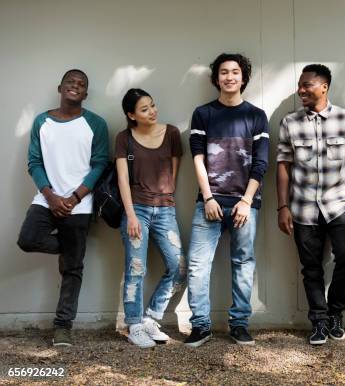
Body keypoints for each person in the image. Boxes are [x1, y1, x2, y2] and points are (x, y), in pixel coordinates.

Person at [17, 69, 109, 346]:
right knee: (28, 239)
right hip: (47, 199)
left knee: (73, 269)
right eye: (71, 82)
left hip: (79, 205)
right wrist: (52, 196)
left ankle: (62, 327)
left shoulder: (96, 123)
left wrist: (76, 197)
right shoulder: (42, 121)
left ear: (86, 93)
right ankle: (68, 250)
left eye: (81, 84)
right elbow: (34, 162)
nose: (76, 86)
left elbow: (100, 162)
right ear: (60, 87)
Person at [277, 64, 345, 345]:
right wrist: (282, 206)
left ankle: (336, 314)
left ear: (324, 86)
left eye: (307, 85)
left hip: (340, 204)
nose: (301, 90)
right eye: (300, 85)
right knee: (311, 267)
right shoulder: (290, 122)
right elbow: (283, 166)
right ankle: (318, 319)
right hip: (303, 207)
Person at [185, 53, 269, 347]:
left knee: (243, 262)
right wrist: (207, 197)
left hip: (245, 203)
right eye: (223, 72)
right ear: (216, 78)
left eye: (235, 72)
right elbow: (197, 158)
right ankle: (200, 325)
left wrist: (246, 201)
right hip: (210, 201)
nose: (229, 77)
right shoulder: (203, 114)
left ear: (243, 77)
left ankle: (239, 324)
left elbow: (260, 163)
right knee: (197, 264)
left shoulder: (257, 116)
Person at [115, 88, 186, 348]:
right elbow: (122, 178)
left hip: (165, 210)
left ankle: (150, 318)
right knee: (136, 269)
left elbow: (174, 168)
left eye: (153, 106)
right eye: (144, 109)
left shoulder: (172, 134)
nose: (152, 112)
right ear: (131, 115)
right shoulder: (124, 138)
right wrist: (131, 215)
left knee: (178, 267)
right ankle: (133, 324)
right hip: (136, 210)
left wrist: (167, 195)